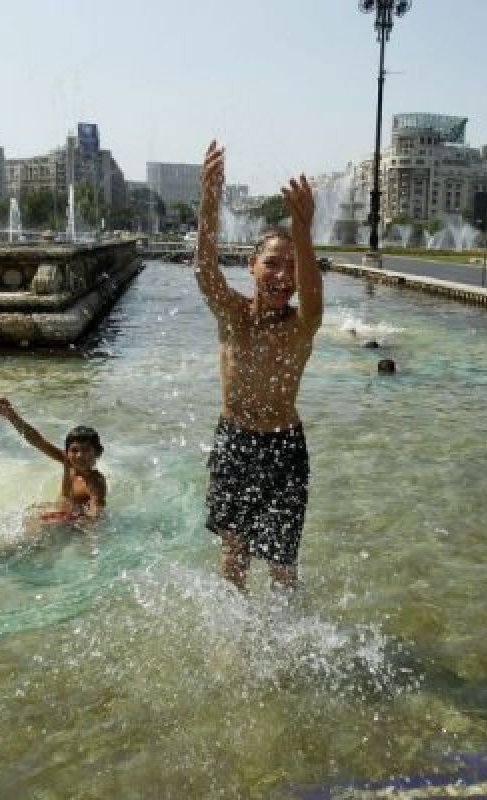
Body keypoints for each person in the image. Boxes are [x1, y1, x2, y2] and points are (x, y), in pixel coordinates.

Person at [194, 140, 322, 590]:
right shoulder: (233, 315)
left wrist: (302, 229)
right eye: (272, 264)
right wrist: (209, 199)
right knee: (235, 552)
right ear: (251, 266)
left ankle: (287, 628)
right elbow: (205, 271)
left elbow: (312, 291)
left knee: (282, 562)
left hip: (284, 446)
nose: (283, 277)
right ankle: (234, 627)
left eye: (291, 267)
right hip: (235, 440)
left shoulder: (302, 325)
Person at [0, 396, 107, 552]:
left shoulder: (95, 481)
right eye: (74, 450)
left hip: (70, 522)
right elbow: (37, 441)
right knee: (27, 512)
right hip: (58, 510)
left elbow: (96, 510)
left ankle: (1, 550)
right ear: (67, 452)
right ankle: (3, 543)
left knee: (37, 536)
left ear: (98, 453)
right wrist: (11, 415)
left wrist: (89, 538)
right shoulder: (68, 462)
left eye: (86, 450)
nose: (80, 455)